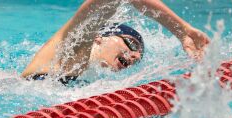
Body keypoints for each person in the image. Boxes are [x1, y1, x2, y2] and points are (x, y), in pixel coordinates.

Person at [21, 0, 209, 84]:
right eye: (132, 45)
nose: (135, 56)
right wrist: (181, 30)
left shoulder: (85, 77)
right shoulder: (70, 48)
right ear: (99, 38)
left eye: (139, 56)